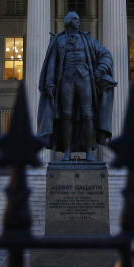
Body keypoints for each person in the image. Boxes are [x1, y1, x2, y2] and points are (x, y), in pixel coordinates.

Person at [37, 11, 116, 161]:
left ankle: (89, 152)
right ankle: (66, 151)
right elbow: (52, 62)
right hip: (66, 79)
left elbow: (106, 54)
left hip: (85, 79)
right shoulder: (58, 41)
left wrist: (99, 71)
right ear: (68, 21)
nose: (78, 21)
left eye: (78, 19)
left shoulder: (88, 40)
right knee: (66, 115)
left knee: (88, 114)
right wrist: (49, 82)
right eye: (75, 19)